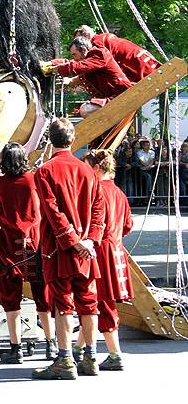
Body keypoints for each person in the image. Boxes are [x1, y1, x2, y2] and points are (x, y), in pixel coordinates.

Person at [33, 118, 105, 380]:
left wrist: (73, 240)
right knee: (88, 302)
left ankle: (65, 360)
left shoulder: (45, 171)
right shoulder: (87, 170)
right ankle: (91, 357)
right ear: (73, 140)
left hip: (60, 248)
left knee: (63, 303)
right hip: (85, 248)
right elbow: (99, 209)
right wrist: (90, 240)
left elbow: (52, 212)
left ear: (50, 140)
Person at [0, 142, 56, 363]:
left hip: (8, 247)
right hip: (34, 243)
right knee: (42, 296)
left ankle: (16, 347)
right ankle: (50, 344)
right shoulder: (34, 180)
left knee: (11, 299)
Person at [75, 149, 133, 370]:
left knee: (100, 301)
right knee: (92, 302)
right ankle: (78, 348)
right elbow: (127, 225)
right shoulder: (119, 192)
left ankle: (115, 354)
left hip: (100, 250)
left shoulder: (96, 189)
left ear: (97, 168)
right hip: (115, 248)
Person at [43, 36, 133, 117]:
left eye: (75, 54)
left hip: (121, 95)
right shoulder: (90, 60)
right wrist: (52, 64)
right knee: (86, 109)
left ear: (84, 50)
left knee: (86, 110)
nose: (74, 58)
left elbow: (77, 66)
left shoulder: (99, 54)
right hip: (114, 97)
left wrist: (53, 69)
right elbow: (73, 64)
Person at [74, 25, 160, 82]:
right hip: (150, 63)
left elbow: (92, 68)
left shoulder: (97, 44)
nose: (79, 44)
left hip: (139, 69)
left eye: (80, 41)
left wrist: (72, 79)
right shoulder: (106, 38)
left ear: (88, 36)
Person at [134, 138, 156, 202]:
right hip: (142, 170)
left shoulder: (152, 152)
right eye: (146, 145)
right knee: (148, 178)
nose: (148, 146)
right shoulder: (139, 152)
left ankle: (151, 194)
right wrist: (146, 166)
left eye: (149, 145)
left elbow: (152, 160)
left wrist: (149, 165)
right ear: (143, 146)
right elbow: (141, 160)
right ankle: (149, 193)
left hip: (150, 169)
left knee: (151, 179)